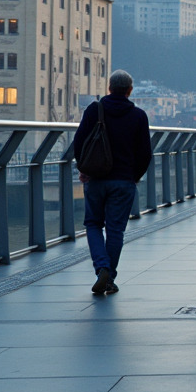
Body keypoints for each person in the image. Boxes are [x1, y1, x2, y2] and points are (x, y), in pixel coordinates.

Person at [73, 69, 152, 295]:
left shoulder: (93, 110)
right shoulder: (139, 116)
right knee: (116, 230)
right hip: (123, 181)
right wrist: (133, 177)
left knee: (93, 224)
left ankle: (102, 268)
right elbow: (145, 153)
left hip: (96, 179)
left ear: (109, 88)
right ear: (130, 90)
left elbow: (79, 143)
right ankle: (108, 276)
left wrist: (85, 169)